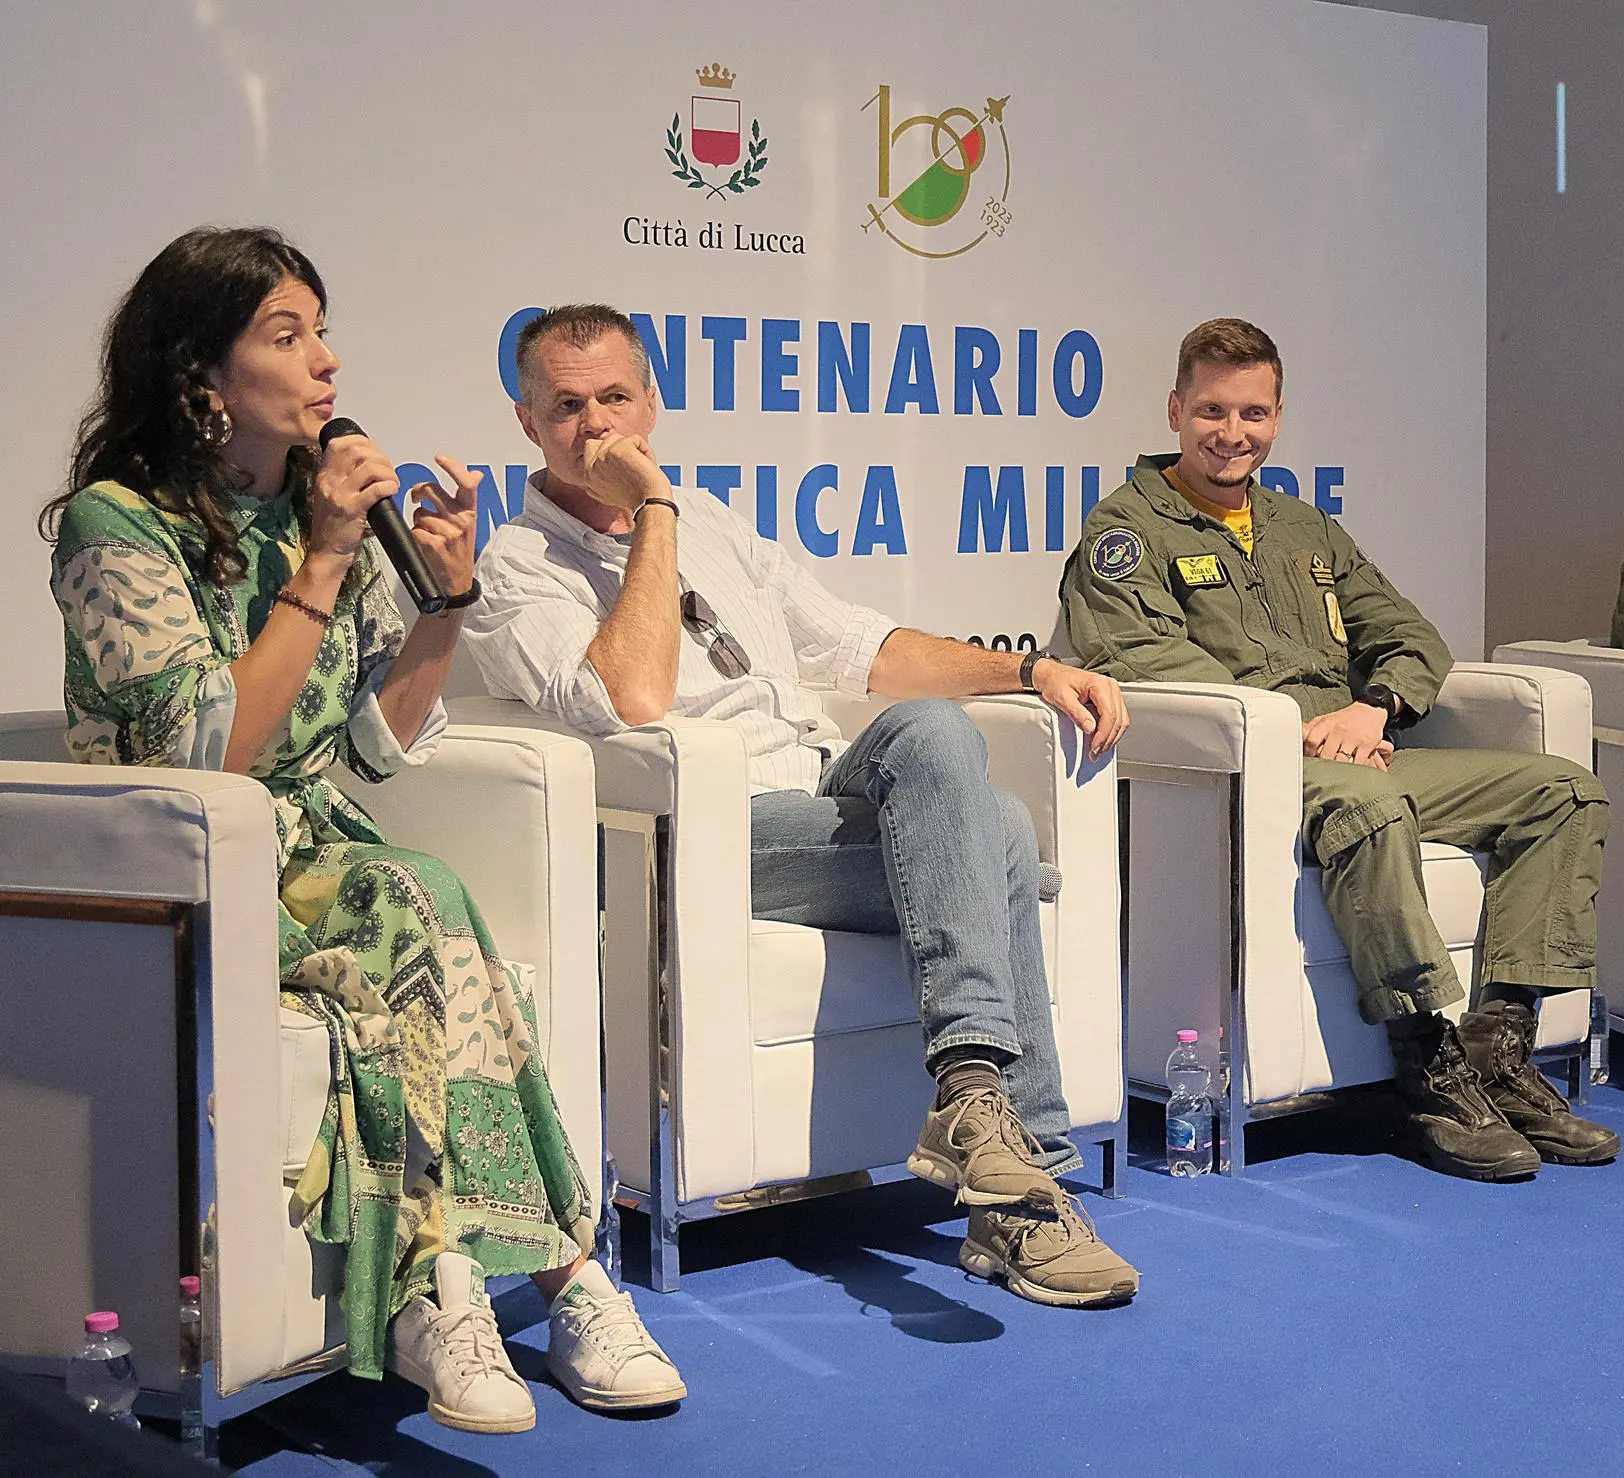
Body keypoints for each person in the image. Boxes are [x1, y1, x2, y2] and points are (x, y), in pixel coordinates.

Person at [41, 230, 684, 1433]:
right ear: (201, 374)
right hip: (175, 866)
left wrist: (441, 600)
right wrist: (329, 557)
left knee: (420, 911)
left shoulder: (306, 506)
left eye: (323, 330)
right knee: (420, 896)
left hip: (306, 844)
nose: (328, 362)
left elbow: (372, 744)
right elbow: (206, 756)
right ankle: (531, 1274)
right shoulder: (113, 528)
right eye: (288, 337)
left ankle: (479, 1279)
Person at [463, 303, 1140, 1309]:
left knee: (938, 734)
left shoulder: (718, 525)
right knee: (995, 838)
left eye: (615, 397)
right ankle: (1022, 1197)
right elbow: (628, 698)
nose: (596, 427)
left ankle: (970, 1100)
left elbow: (861, 647)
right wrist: (650, 509)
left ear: (651, 398)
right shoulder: (515, 566)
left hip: (812, 787)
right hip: (695, 833)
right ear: (527, 422)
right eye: (568, 406)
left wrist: (1030, 667)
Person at [1060, 317, 1617, 1181]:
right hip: (1258, 772)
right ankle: (1427, 1067)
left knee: (1564, 792)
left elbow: (1406, 633)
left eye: (1252, 413)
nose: (1231, 434)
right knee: (1370, 804)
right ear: (1175, 410)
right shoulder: (1127, 530)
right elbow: (1141, 662)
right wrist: (1297, 724)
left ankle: (1500, 1052)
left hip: (1359, 749)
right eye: (1211, 410)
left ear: (1278, 417)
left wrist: (1376, 707)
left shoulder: (1305, 529)